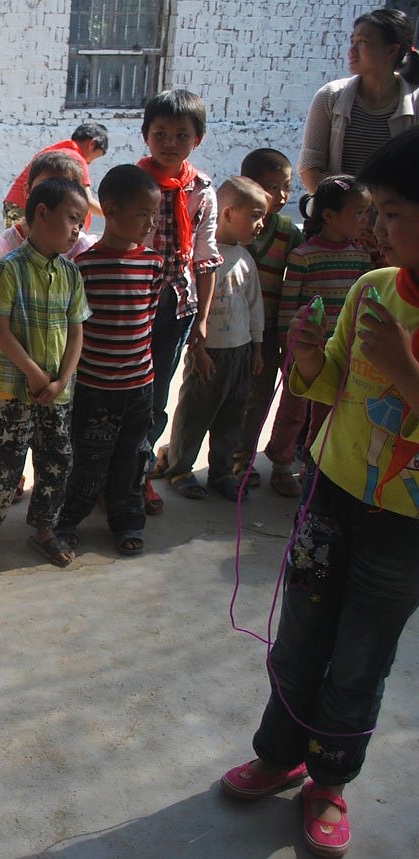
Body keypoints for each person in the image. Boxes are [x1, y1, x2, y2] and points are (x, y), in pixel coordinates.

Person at [219, 127, 419, 859]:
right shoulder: (372, 287)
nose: (376, 226)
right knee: (302, 630)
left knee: (362, 651)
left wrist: (403, 367)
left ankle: (330, 778)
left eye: (393, 212)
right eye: (377, 211)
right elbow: (332, 384)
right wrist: (308, 360)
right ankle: (280, 751)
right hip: (331, 494)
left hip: (405, 525)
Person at [0, 179, 90, 572]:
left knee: (57, 460)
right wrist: (35, 375)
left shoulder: (70, 273)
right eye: (71, 219)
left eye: (81, 222)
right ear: (41, 213)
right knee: (1, 462)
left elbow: (76, 333)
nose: (76, 230)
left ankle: (44, 530)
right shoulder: (9, 269)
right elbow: (0, 332)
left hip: (57, 393)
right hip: (12, 391)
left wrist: (62, 380)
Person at [54, 165, 164, 560]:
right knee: (88, 459)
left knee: (132, 458)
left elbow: (148, 318)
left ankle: (128, 520)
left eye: (155, 215)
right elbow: (73, 328)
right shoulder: (83, 266)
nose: (150, 223)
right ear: (111, 211)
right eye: (143, 214)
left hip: (139, 386)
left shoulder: (153, 263)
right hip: (95, 388)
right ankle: (66, 521)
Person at [139, 89, 222, 515]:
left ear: (198, 139)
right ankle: (105, 473)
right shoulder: (132, 182)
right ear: (145, 136)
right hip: (130, 303)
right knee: (116, 390)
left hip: (176, 307)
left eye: (181, 134)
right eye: (161, 133)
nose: (170, 142)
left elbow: (205, 261)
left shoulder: (203, 190)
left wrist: (202, 320)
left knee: (156, 395)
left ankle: (138, 473)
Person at [264, 176, 373, 498]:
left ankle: (314, 463)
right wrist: (289, 343)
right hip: (305, 350)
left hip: (341, 352)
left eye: (368, 213)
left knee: (327, 411)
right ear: (328, 216)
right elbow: (289, 302)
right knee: (293, 409)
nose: (365, 220)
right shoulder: (304, 255)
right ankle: (281, 463)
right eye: (359, 213)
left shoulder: (360, 257)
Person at [160, 177, 267, 502]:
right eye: (255, 215)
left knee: (231, 415)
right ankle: (180, 467)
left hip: (240, 353)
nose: (261, 224)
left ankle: (221, 471)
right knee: (195, 411)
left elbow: (254, 306)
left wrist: (257, 348)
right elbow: (192, 310)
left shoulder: (246, 259)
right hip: (208, 353)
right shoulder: (202, 257)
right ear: (228, 213)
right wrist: (200, 350)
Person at [234, 148, 305, 487]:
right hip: (231, 329)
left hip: (270, 329)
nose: (281, 195)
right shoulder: (232, 226)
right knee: (226, 394)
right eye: (271, 186)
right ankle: (225, 456)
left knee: (260, 395)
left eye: (286, 187)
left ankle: (245, 458)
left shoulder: (290, 232)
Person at [298, 9, 419, 192]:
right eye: (352, 41)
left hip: (394, 218)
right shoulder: (330, 96)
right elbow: (310, 167)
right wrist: (344, 208)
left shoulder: (416, 104)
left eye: (363, 42)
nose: (352, 50)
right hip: (338, 215)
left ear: (392, 50)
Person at [0, 150, 97, 261]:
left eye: (63, 189)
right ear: (27, 190)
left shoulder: (79, 247)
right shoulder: (7, 243)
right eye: (46, 186)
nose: (53, 195)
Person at [2, 122, 107, 228]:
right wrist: (111, 213)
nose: (91, 162)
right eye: (96, 156)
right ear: (92, 144)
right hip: (28, 209)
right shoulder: (75, 159)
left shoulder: (58, 151)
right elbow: (87, 201)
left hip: (14, 206)